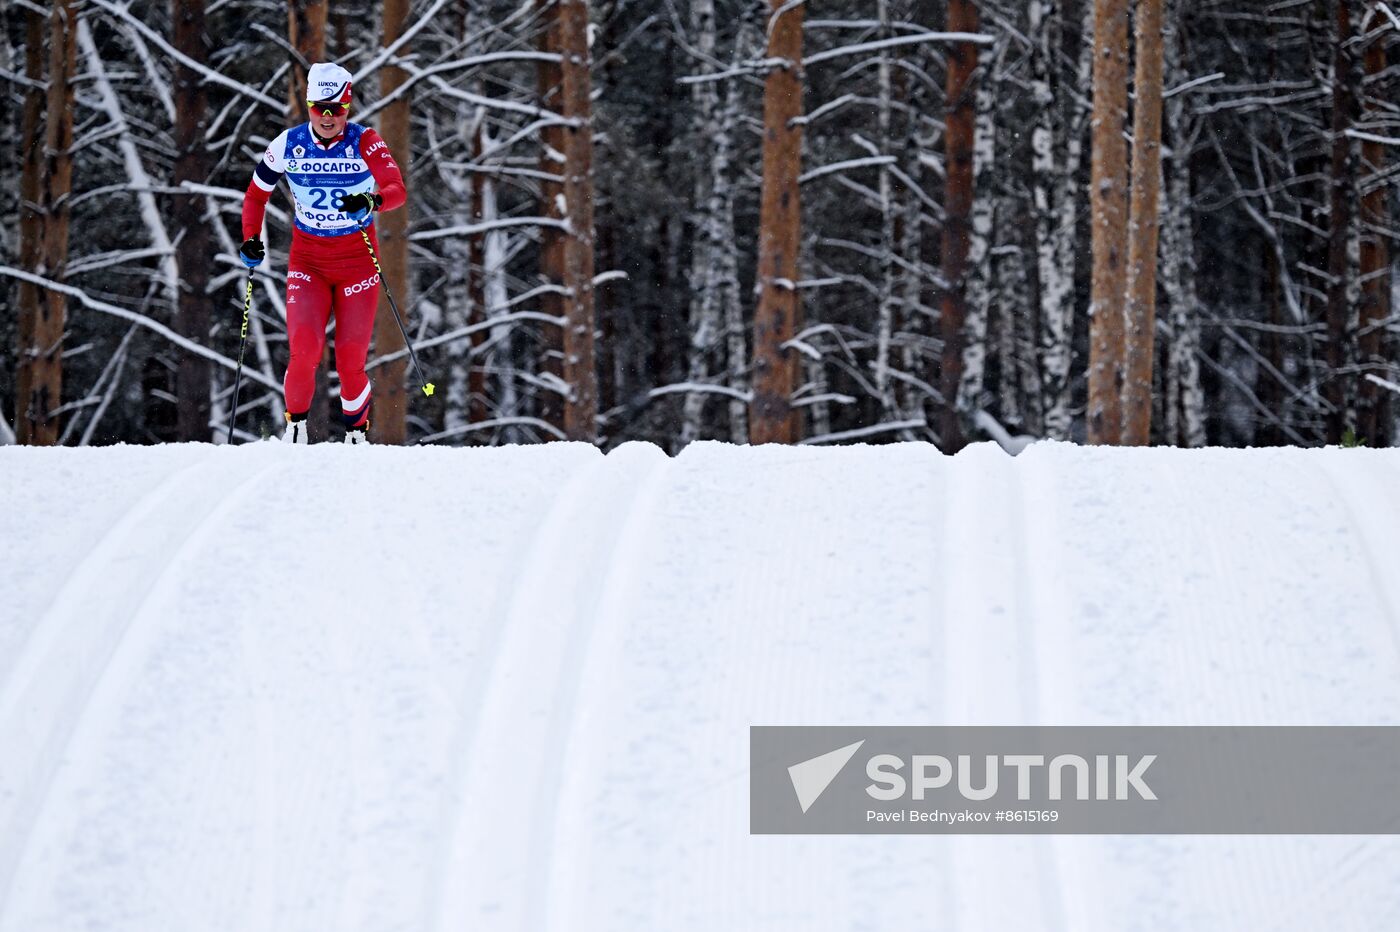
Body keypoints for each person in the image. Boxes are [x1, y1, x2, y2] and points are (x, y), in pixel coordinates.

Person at [238, 62, 406, 444]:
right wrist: (251, 237)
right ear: (309, 106)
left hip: (357, 263)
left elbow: (397, 188)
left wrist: (372, 200)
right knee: (304, 348)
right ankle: (295, 429)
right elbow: (255, 195)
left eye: (337, 109)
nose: (328, 118)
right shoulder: (288, 143)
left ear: (348, 108)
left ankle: (356, 434)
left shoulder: (366, 141)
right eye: (320, 108)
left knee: (350, 359)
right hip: (308, 263)